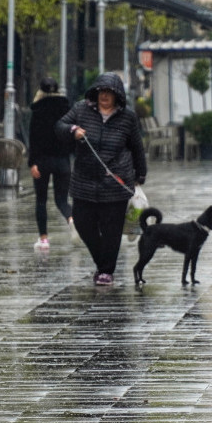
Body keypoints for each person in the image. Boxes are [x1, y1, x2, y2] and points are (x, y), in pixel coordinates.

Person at [56, 73, 147, 286]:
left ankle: (107, 271)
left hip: (115, 182)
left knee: (111, 229)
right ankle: (101, 260)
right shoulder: (81, 109)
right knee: (82, 222)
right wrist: (73, 130)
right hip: (84, 181)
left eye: (109, 93)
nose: (104, 96)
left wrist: (140, 174)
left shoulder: (128, 117)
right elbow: (59, 126)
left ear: (118, 96)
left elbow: (137, 147)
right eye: (101, 92)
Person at [28, 77, 74, 250]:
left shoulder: (37, 110)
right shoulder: (66, 110)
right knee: (62, 200)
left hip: (42, 162)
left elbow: (33, 139)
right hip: (63, 161)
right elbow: (71, 136)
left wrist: (32, 163)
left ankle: (44, 239)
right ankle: (71, 219)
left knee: (41, 200)